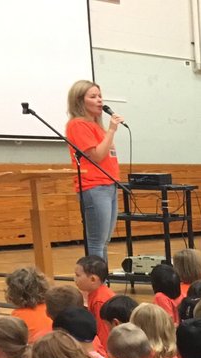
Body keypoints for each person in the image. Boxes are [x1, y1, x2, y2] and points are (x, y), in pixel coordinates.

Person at [64, 80, 122, 261]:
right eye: (93, 97)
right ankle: (97, 285)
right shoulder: (77, 125)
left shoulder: (97, 126)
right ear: (80, 101)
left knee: (104, 241)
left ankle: (102, 282)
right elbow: (96, 155)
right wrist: (112, 130)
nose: (100, 101)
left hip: (109, 185)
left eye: (100, 96)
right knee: (96, 242)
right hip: (94, 187)